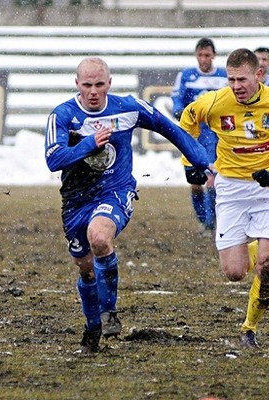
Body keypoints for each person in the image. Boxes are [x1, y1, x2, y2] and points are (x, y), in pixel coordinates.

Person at [44, 57, 212, 354]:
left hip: (116, 190)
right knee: (85, 270)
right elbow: (53, 159)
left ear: (109, 83)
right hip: (75, 201)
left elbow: (168, 128)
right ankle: (93, 326)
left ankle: (109, 314)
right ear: (77, 84)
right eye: (87, 85)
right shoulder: (63, 115)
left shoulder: (128, 108)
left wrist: (200, 160)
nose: (93, 91)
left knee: (100, 237)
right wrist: (89, 143)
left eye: (99, 84)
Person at [179, 48, 269, 348]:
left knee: (266, 265)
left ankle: (249, 328)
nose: (236, 86)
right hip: (231, 189)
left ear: (259, 74)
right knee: (234, 273)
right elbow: (186, 121)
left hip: (268, 190)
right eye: (231, 79)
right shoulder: (216, 102)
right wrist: (190, 163)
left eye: (242, 79)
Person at [172, 38, 228, 233]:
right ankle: (204, 219)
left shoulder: (224, 76)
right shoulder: (186, 75)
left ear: (214, 55)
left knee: (213, 178)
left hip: (215, 133)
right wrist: (179, 110)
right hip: (193, 134)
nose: (204, 59)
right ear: (196, 56)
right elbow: (177, 98)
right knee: (196, 183)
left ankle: (213, 223)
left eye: (207, 55)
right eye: (200, 55)